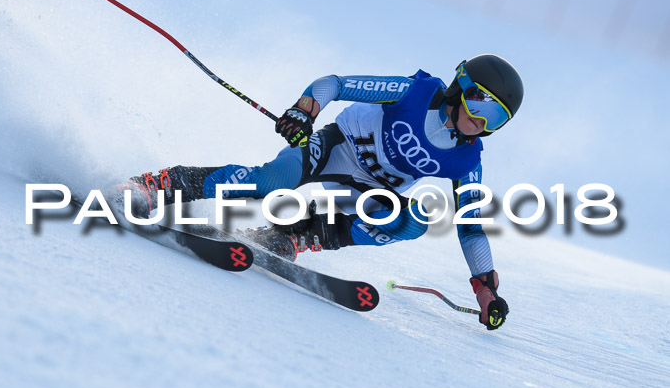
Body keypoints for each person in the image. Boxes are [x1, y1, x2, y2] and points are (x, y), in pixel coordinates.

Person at [124, 54, 523, 330]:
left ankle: (293, 236)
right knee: (270, 182)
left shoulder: (468, 161)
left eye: (496, 117)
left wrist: (484, 289)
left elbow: (471, 227)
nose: (479, 121)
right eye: (479, 102)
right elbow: (337, 84)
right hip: (337, 147)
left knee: (415, 220)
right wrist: (305, 110)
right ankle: (164, 184)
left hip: (370, 191)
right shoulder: (415, 92)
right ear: (460, 87)